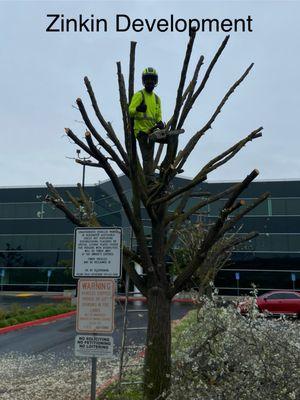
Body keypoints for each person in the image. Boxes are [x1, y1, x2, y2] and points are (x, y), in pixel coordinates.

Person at [129, 67, 164, 183]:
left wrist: (159, 122)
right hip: (141, 130)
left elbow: (158, 114)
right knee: (147, 156)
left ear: (155, 81)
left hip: (152, 130)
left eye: (152, 79)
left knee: (151, 155)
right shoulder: (139, 95)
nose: (150, 82)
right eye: (148, 79)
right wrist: (138, 108)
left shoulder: (157, 99)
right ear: (144, 81)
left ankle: (155, 175)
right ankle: (149, 180)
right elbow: (130, 111)